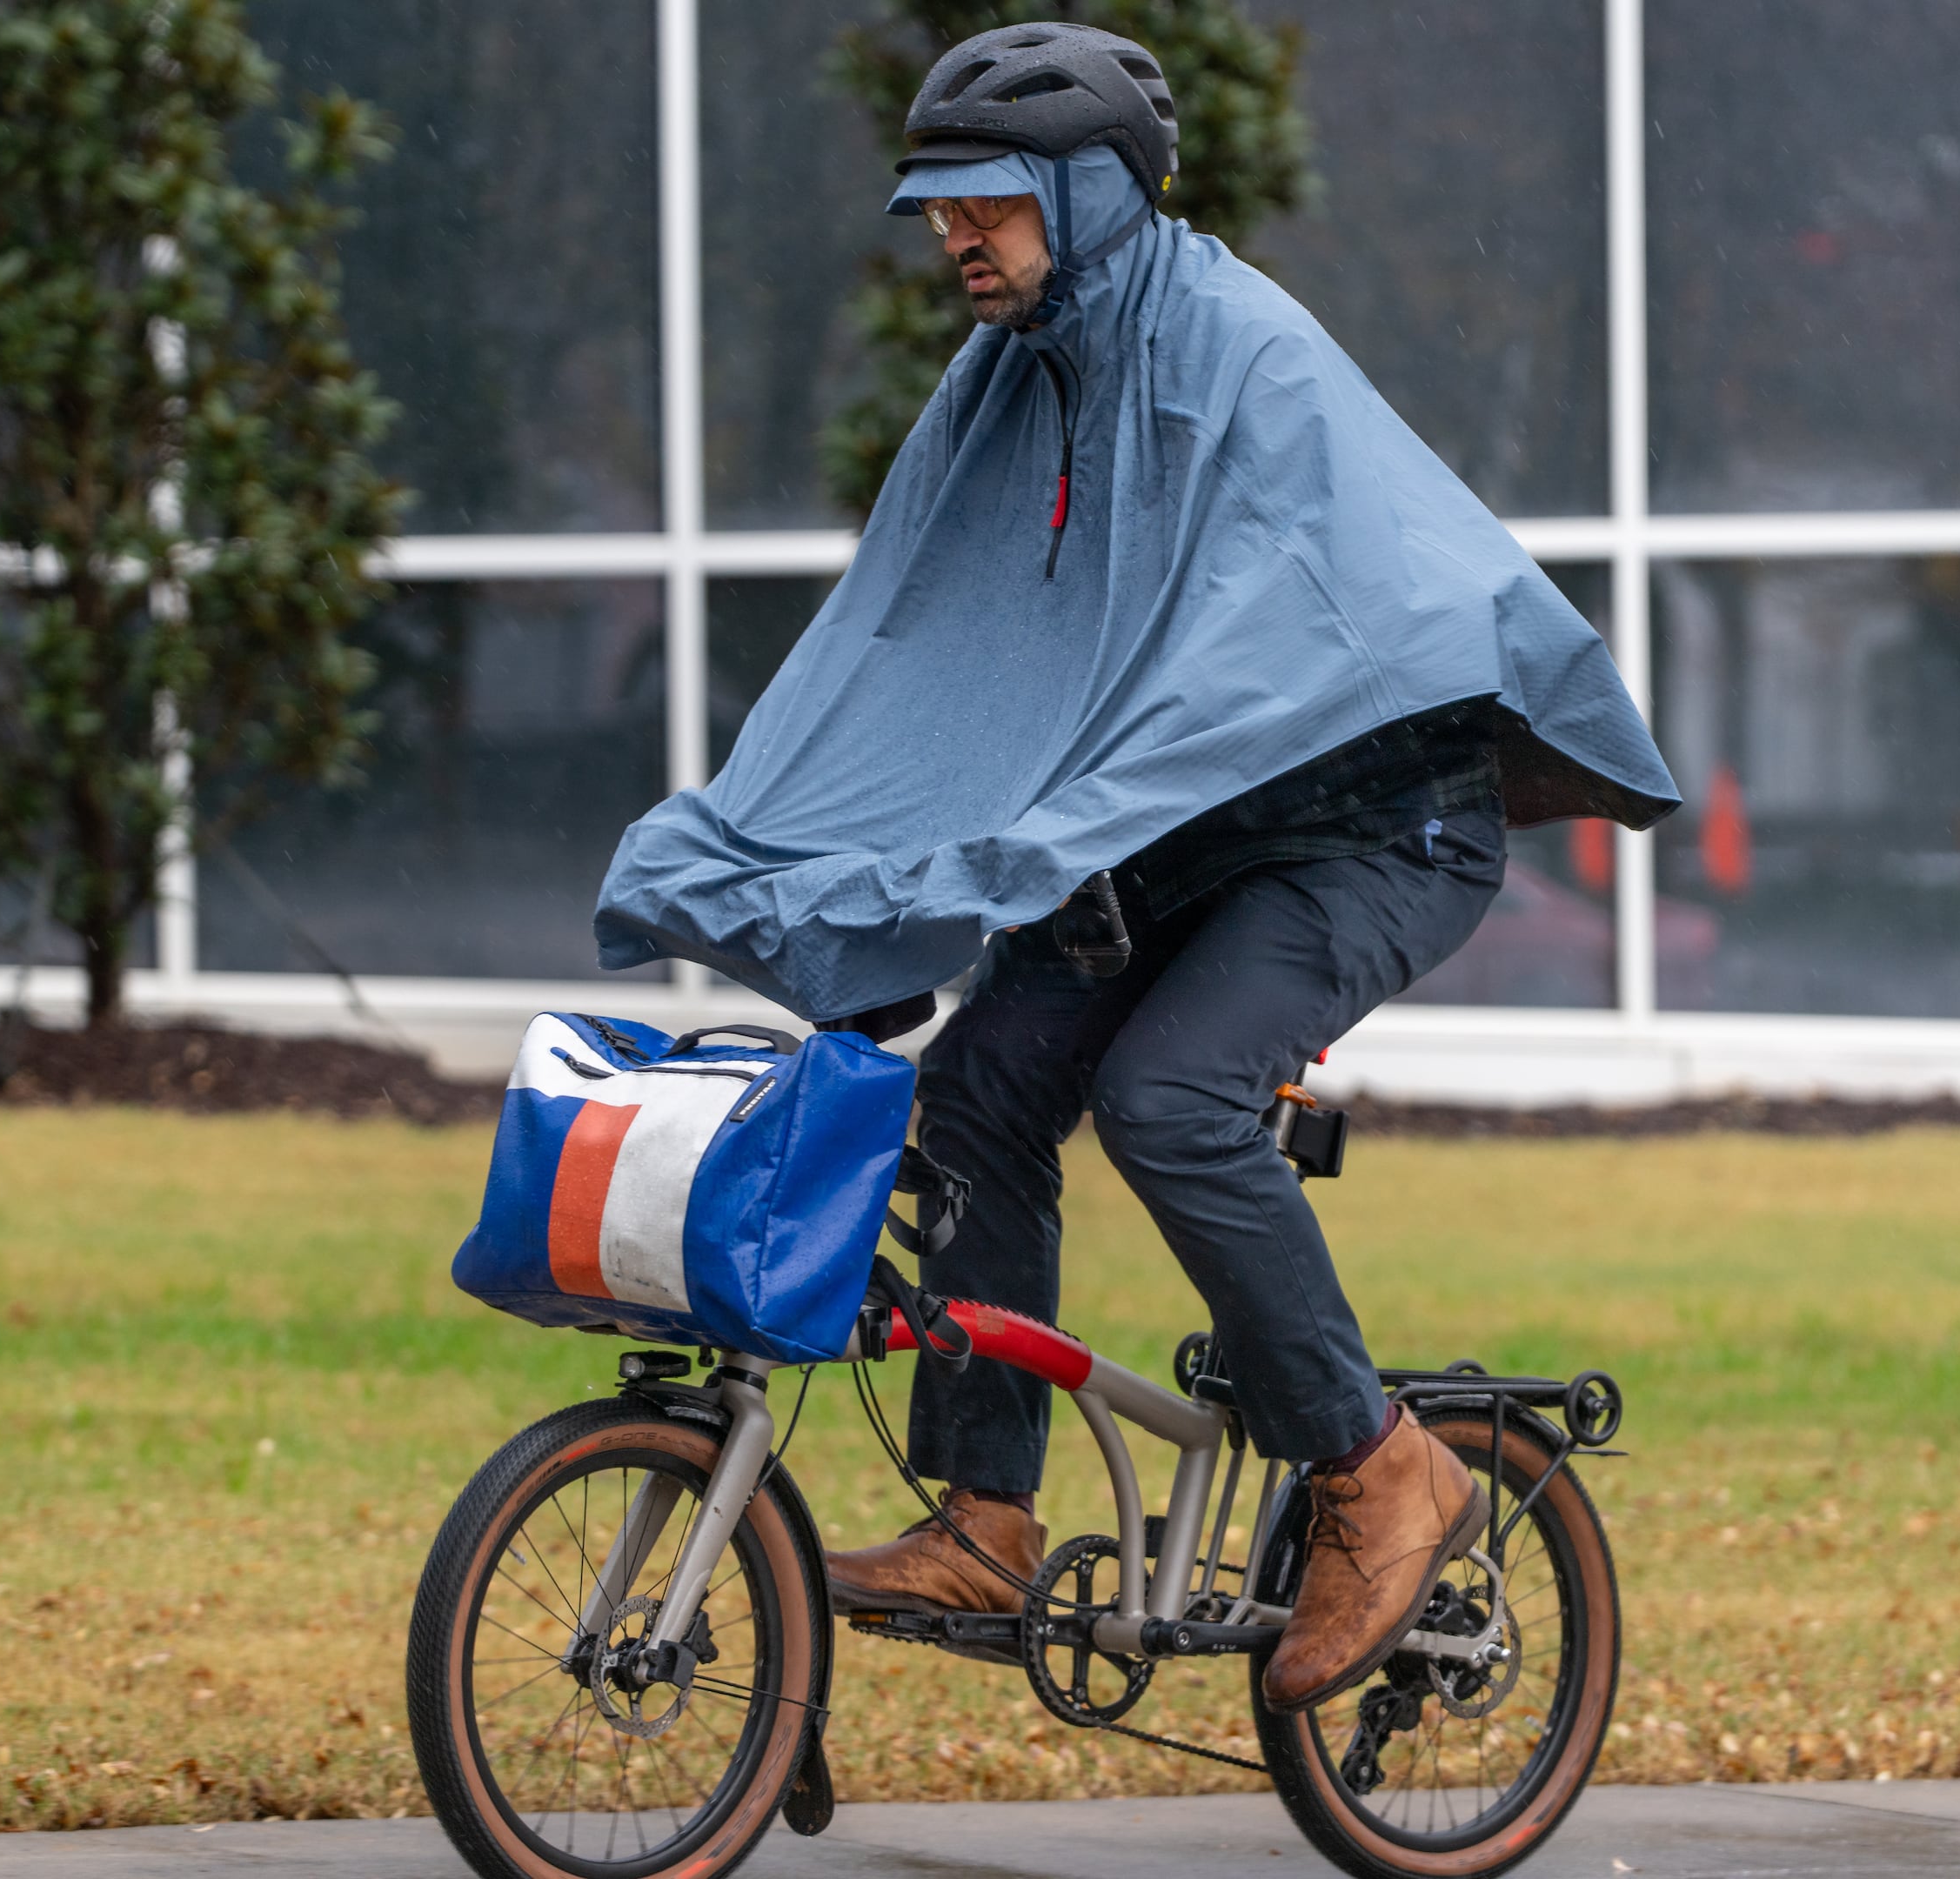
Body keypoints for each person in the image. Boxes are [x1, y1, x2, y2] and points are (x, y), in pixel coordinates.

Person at [591, 23, 1678, 1716]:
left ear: (1090, 194)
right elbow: (907, 647)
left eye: (990, 202)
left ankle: (1384, 1471)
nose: (957, 234)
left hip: (1380, 825)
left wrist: (1033, 841)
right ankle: (988, 1515)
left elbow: (1234, 666)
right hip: (1169, 842)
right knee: (982, 1095)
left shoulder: (1243, 356)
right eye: (935, 204)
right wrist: (771, 858)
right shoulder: (1007, 377)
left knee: (1174, 1096)